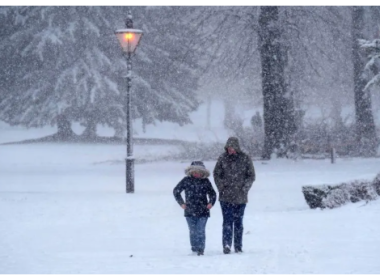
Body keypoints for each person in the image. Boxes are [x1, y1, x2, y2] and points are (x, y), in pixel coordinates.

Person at [213, 137, 256, 254]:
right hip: (225, 196)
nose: (230, 150)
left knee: (238, 222)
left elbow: (251, 176)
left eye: (232, 148)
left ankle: (238, 246)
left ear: (236, 147)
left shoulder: (245, 158)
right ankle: (226, 245)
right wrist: (221, 186)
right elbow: (216, 174)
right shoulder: (222, 158)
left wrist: (244, 188)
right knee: (227, 222)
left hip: (240, 197)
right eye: (229, 148)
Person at [173, 161, 217, 256]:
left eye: (199, 172)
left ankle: (201, 249)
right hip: (189, 211)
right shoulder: (186, 180)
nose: (196, 174)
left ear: (203, 173)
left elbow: (213, 194)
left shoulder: (205, 182)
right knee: (193, 231)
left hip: (203, 210)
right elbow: (176, 191)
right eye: (194, 171)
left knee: (200, 230)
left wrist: (211, 203)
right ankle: (194, 248)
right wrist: (181, 203)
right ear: (191, 172)